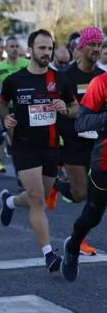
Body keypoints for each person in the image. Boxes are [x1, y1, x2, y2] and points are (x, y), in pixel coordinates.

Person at [0, 29, 78, 274]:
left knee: (38, 197)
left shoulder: (60, 79)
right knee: (37, 198)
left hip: (51, 146)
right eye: (42, 48)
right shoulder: (15, 80)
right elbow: (1, 104)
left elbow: (76, 108)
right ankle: (48, 254)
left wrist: (65, 108)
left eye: (50, 48)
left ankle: (9, 201)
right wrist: (6, 119)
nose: (47, 53)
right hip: (24, 146)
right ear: (30, 50)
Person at [53, 27, 103, 256]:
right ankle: (54, 183)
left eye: (99, 45)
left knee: (92, 198)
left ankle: (79, 238)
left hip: (96, 144)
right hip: (72, 140)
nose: (96, 49)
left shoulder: (100, 77)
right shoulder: (66, 77)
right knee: (80, 194)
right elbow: (58, 108)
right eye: (92, 45)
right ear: (80, 48)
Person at [62, 62, 107, 281]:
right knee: (92, 217)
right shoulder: (101, 84)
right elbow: (81, 123)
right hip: (104, 165)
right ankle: (73, 246)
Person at [0, 36, 30, 173]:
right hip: (7, 109)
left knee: (25, 143)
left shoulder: (27, 64)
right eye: (11, 46)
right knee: (15, 142)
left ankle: (24, 171)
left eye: (16, 46)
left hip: (25, 108)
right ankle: (18, 173)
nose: (14, 49)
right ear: (6, 49)